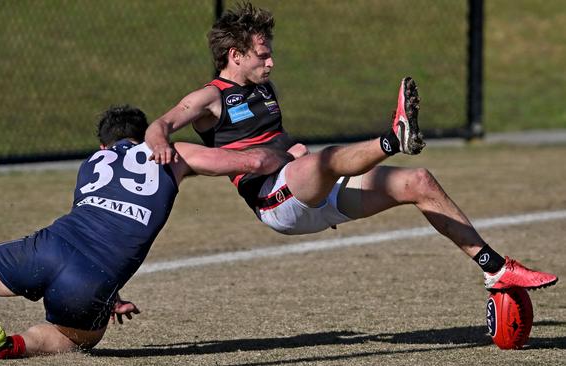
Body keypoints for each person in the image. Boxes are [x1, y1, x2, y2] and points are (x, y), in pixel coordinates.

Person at [144, 2, 557, 291]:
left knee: (418, 181)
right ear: (235, 55)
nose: (271, 63)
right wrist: (161, 139)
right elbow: (160, 125)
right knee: (320, 161)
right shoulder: (209, 97)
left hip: (312, 190)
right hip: (276, 202)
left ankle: (496, 269)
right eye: (263, 56)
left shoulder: (263, 87)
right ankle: (394, 138)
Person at [0, 105, 294, 360]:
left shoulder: (91, 162)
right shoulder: (170, 153)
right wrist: (291, 156)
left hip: (45, 248)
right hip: (90, 281)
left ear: (103, 145)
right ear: (146, 134)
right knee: (75, 338)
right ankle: (10, 345)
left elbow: (96, 225)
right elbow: (256, 160)